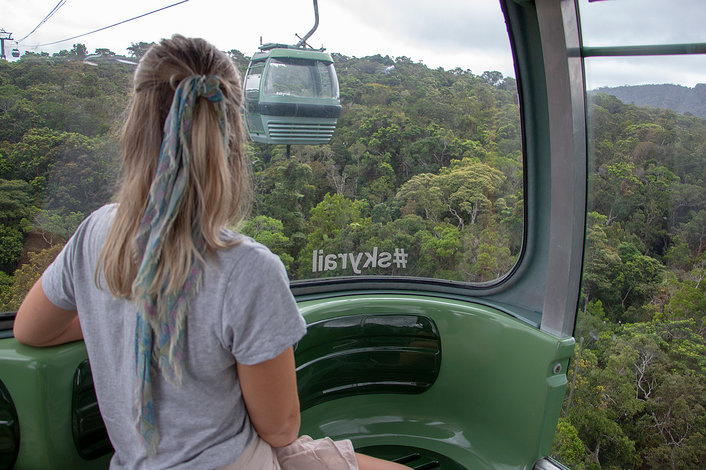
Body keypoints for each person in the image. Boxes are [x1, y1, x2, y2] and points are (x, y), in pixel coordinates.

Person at [13, 35, 410, 470]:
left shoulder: (95, 233)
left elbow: (31, 330)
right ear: (232, 139)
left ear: (134, 129)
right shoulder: (247, 269)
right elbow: (280, 430)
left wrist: (122, 320)